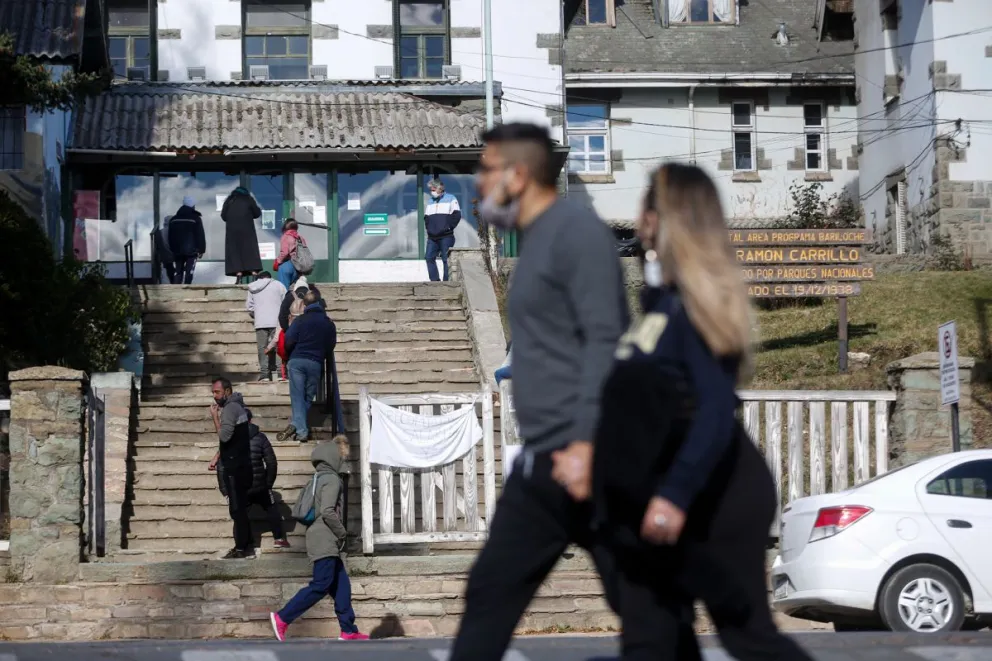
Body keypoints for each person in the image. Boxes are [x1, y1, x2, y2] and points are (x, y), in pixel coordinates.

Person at [572, 163, 813, 661]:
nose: (635, 216)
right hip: (658, 494)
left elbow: (715, 410)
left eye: (644, 204)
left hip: (715, 495)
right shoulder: (661, 308)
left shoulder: (692, 309)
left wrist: (675, 496)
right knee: (656, 637)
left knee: (745, 635)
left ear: (663, 219)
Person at [446, 123, 628, 661]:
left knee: (643, 601)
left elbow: (605, 339)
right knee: (490, 591)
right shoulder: (537, 241)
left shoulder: (575, 230)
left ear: (518, 174)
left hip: (591, 456)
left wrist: (585, 443)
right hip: (547, 457)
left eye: (486, 169)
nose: (478, 183)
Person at [270, 436, 368, 642]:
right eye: (341, 457)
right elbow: (328, 511)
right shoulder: (332, 479)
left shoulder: (317, 477)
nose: (343, 460)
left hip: (318, 536)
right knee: (320, 584)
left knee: (342, 586)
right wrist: (342, 533)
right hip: (326, 538)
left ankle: (348, 630)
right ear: (334, 457)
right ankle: (282, 617)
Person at [214, 410, 291, 549]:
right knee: (271, 508)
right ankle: (279, 539)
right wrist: (268, 484)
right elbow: (271, 462)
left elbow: (221, 468)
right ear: (249, 421)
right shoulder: (260, 437)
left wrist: (226, 491)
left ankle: (242, 546)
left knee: (239, 516)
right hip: (260, 485)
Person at [279, 290, 337, 444]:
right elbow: (331, 345)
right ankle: (298, 425)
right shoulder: (328, 323)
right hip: (316, 362)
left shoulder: (300, 320)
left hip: (297, 360)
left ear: (304, 304)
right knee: (307, 397)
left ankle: (300, 429)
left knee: (297, 397)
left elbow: (288, 340)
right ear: (319, 302)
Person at [209, 377, 256, 559]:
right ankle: (246, 544)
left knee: (237, 509)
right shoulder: (238, 407)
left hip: (235, 467)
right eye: (213, 392)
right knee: (240, 508)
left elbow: (224, 437)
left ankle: (241, 548)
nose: (215, 396)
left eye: (217, 392)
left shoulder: (229, 409)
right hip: (242, 463)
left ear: (227, 391)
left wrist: (214, 418)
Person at [247, 271, 288, 382]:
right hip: (277, 321)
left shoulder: (252, 287)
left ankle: (265, 374)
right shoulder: (279, 285)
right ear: (270, 278)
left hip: (260, 322)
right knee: (279, 345)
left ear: (259, 278)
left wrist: (257, 315)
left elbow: (250, 308)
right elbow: (286, 304)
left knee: (262, 347)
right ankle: (280, 373)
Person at [221, 186, 263, 284]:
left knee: (235, 252)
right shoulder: (248, 199)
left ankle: (239, 276)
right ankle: (254, 275)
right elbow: (257, 213)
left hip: (232, 232)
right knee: (250, 251)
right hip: (247, 230)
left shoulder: (229, 200)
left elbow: (223, 216)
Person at [424, 178, 461, 282]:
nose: (432, 191)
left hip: (446, 236)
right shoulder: (430, 201)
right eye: (431, 189)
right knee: (429, 258)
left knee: (446, 259)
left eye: (434, 189)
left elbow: (457, 215)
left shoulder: (451, 198)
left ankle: (446, 282)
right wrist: (429, 229)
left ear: (440, 188)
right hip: (432, 237)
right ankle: (435, 282)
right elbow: (426, 217)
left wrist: (449, 227)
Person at [167, 196, 206, 285]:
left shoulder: (174, 219)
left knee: (178, 271)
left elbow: (170, 236)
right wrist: (201, 250)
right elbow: (200, 235)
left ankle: (176, 291)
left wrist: (172, 248)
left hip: (177, 250)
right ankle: (187, 290)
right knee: (189, 272)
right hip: (192, 251)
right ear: (192, 205)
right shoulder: (196, 218)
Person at [274, 218, 304, 289]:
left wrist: (278, 261)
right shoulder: (300, 237)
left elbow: (284, 252)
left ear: (285, 226)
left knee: (284, 290)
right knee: (297, 290)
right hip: (299, 266)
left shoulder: (286, 236)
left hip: (288, 264)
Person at [154, 214, 175, 284]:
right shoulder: (176, 231)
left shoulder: (159, 232)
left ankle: (172, 281)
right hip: (175, 254)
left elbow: (157, 246)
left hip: (166, 256)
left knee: (169, 269)